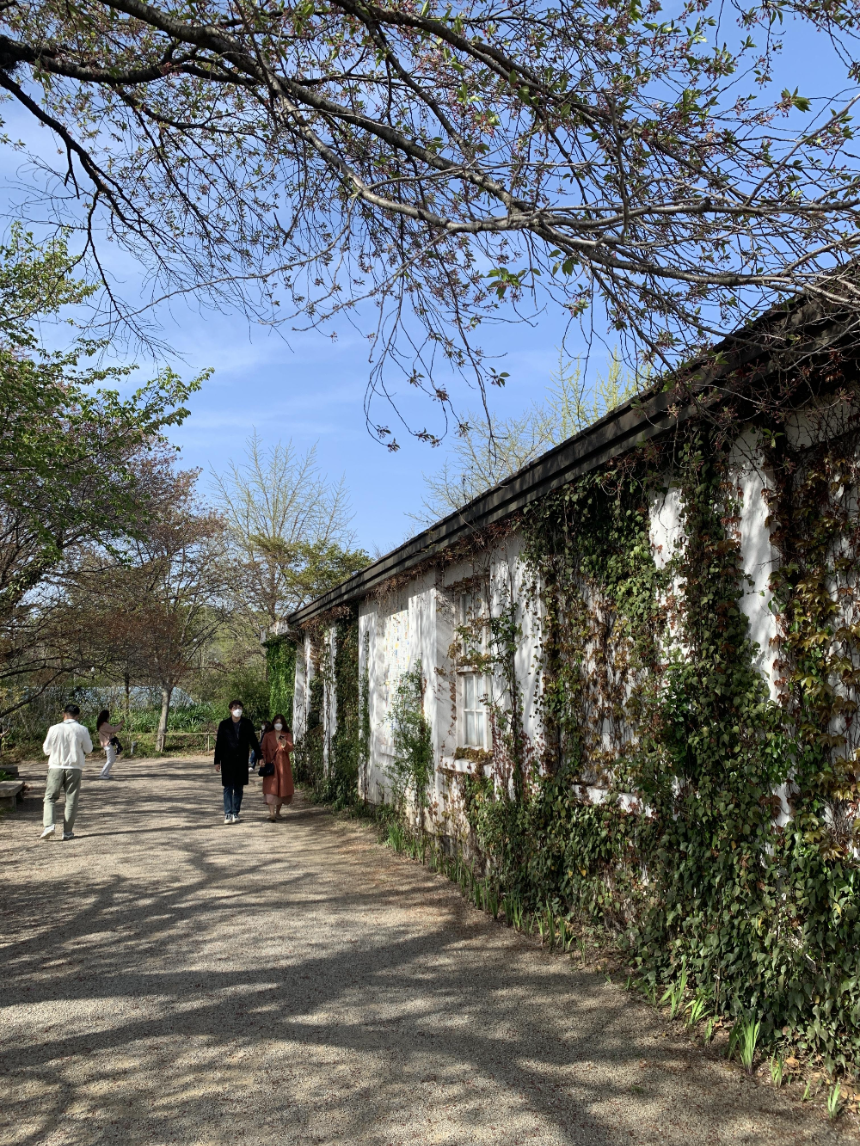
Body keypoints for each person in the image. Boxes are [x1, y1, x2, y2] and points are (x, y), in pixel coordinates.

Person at [40, 703, 93, 841]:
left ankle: (49, 825)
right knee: (71, 800)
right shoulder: (82, 729)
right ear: (78, 716)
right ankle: (67, 831)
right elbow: (88, 749)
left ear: (64, 714)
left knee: (50, 798)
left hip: (56, 766)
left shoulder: (54, 728)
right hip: (74, 767)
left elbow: (46, 750)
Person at [213, 700, 261, 825]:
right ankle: (228, 813)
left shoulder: (247, 723)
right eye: (235, 707)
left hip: (241, 760)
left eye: (239, 707)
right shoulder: (224, 724)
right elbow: (219, 744)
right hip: (227, 760)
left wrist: (260, 756)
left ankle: (235, 812)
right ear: (230, 709)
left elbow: (254, 741)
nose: (237, 709)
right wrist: (217, 761)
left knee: (239, 787)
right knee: (228, 787)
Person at [259, 714, 294, 822]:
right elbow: (263, 749)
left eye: (280, 722)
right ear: (273, 723)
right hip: (271, 766)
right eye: (276, 722)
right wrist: (262, 759)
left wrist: (284, 743)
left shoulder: (286, 735)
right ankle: (272, 813)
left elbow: (290, 748)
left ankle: (278, 812)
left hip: (283, 766)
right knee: (271, 789)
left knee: (281, 789)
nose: (278, 724)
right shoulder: (267, 735)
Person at [95, 709, 124, 779]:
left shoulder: (102, 724)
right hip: (107, 744)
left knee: (112, 759)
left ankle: (105, 773)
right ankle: (102, 774)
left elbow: (112, 729)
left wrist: (119, 724)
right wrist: (121, 724)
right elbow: (114, 730)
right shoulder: (104, 724)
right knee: (110, 760)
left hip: (106, 743)